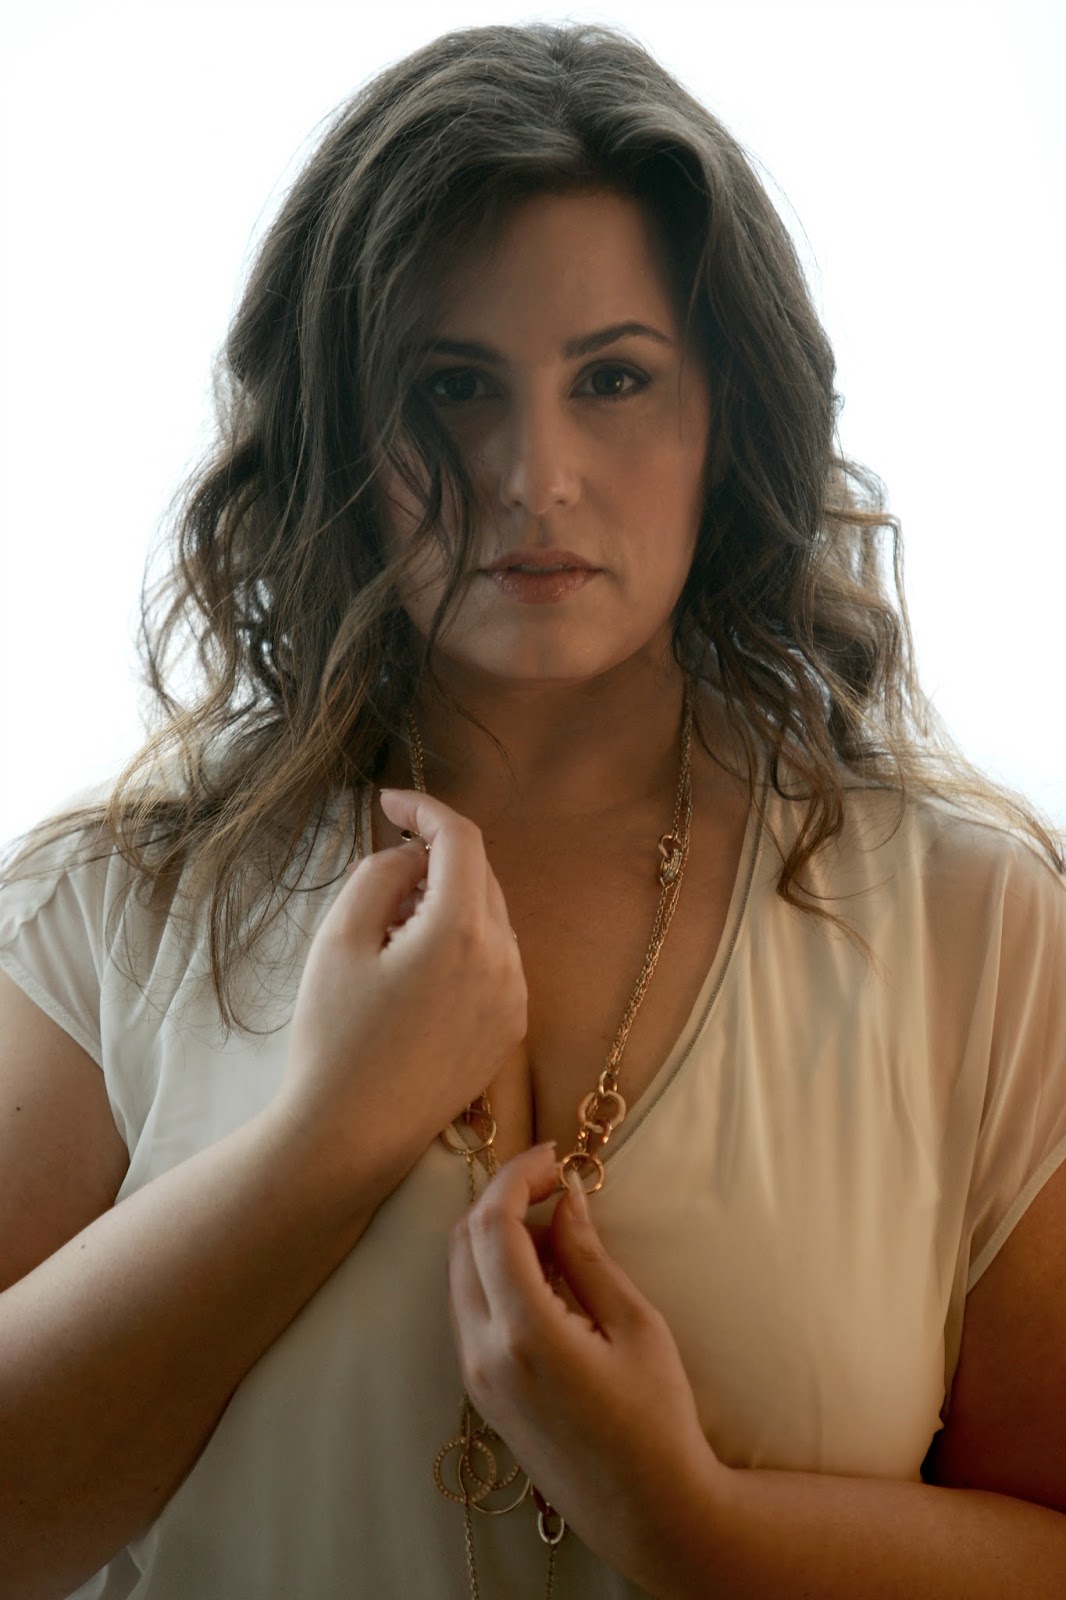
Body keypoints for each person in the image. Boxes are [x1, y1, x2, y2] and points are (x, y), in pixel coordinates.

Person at [1, 20, 1063, 1600]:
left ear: (728, 415)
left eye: (613, 378)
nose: (533, 475)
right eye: (452, 386)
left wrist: (692, 1524)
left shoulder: (977, 926)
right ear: (336, 427)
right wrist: (322, 1145)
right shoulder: (108, 911)